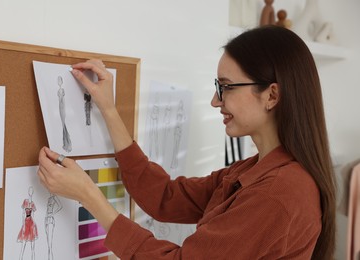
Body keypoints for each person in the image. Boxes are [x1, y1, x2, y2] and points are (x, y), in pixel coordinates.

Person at [37, 25, 336, 259]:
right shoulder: (253, 171)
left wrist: (89, 196)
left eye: (226, 87)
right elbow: (165, 198)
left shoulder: (278, 193)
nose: (215, 101)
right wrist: (109, 111)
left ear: (271, 95)